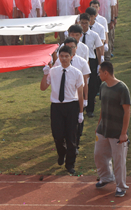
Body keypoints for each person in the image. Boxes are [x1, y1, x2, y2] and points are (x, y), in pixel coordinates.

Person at [40, 45, 84, 174]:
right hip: (56, 107)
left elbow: (80, 94)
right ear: (58, 57)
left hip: (71, 105)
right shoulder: (53, 71)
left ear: (71, 57)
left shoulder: (77, 73)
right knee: (57, 135)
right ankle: (61, 153)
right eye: (61, 56)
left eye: (66, 56)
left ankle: (70, 164)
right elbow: (43, 87)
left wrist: (81, 112)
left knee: (71, 136)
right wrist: (45, 74)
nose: (64, 59)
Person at [94, 62, 131, 198]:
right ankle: (106, 177)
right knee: (98, 154)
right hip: (103, 129)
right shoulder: (103, 86)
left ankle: (121, 186)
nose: (98, 74)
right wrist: (99, 125)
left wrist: (123, 133)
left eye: (99, 72)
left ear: (106, 73)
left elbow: (127, 111)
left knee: (119, 160)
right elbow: (103, 108)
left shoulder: (122, 88)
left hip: (117, 131)